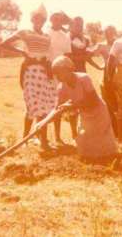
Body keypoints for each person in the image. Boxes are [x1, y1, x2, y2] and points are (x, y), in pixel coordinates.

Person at [1, 5, 55, 150]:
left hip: (43, 72)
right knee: (33, 105)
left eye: (42, 19)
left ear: (44, 20)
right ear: (32, 19)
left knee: (42, 107)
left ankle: (41, 140)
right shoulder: (25, 32)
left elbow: (46, 55)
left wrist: (49, 71)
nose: (39, 21)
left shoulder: (46, 36)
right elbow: (4, 44)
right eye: (36, 18)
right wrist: (21, 52)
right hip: (30, 72)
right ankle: (26, 140)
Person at [52, 56, 117, 160]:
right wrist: (42, 123)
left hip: (99, 113)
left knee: (103, 148)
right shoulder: (61, 87)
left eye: (58, 72)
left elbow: (93, 100)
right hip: (85, 115)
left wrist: (72, 105)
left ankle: (107, 163)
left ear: (68, 70)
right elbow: (56, 108)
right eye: (55, 73)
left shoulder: (83, 78)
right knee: (85, 149)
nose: (56, 75)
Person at [48, 11, 72, 145]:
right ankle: (41, 136)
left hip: (61, 74)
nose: (57, 21)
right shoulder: (46, 33)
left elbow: (68, 55)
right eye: (55, 18)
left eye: (60, 19)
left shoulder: (65, 36)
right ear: (51, 19)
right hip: (47, 73)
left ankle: (57, 136)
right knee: (46, 105)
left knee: (59, 104)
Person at [94, 25, 118, 136]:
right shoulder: (101, 45)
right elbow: (89, 54)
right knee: (107, 102)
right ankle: (110, 128)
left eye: (111, 32)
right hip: (106, 76)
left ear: (114, 33)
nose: (109, 35)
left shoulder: (118, 44)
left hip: (118, 75)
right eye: (107, 32)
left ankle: (119, 129)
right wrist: (99, 66)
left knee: (118, 102)